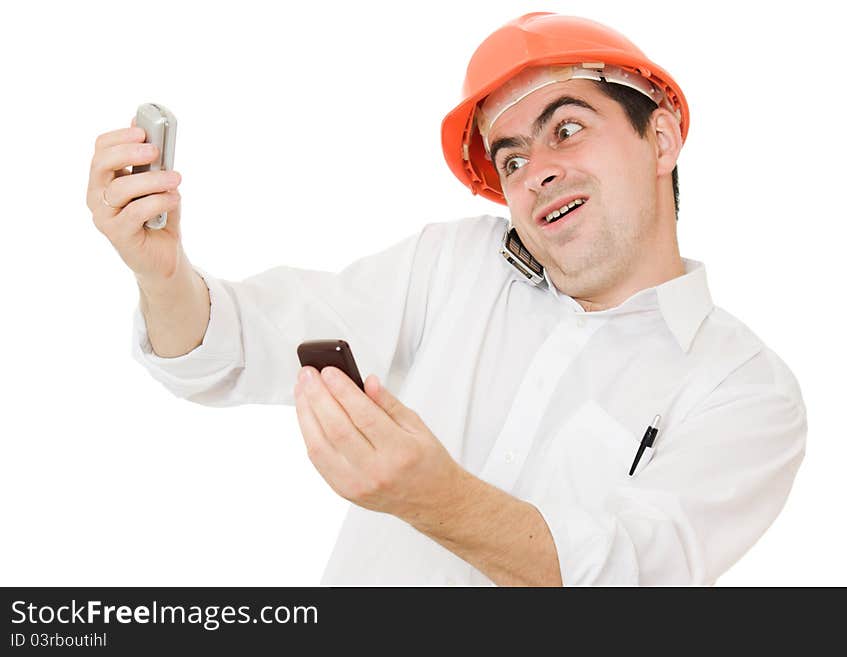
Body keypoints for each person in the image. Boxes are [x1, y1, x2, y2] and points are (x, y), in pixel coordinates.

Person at [85, 13, 806, 586]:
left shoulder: (744, 390)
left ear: (662, 138)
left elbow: (631, 578)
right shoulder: (456, 263)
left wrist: (437, 497)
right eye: (514, 157)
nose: (538, 173)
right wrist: (160, 274)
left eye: (567, 128)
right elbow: (241, 347)